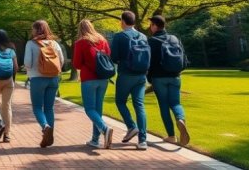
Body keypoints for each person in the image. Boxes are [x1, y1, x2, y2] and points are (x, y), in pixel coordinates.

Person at [147, 15, 190, 146]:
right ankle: (180, 119)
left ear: (155, 25)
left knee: (164, 106)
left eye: (151, 25)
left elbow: (149, 62)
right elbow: (184, 58)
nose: (150, 27)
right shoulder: (174, 38)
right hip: (175, 77)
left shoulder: (152, 41)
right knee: (176, 103)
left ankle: (171, 136)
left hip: (159, 78)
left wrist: (150, 79)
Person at [110, 11, 149, 150]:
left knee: (120, 102)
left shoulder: (119, 36)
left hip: (126, 74)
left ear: (123, 21)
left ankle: (132, 126)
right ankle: (143, 140)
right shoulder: (143, 36)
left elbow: (113, 57)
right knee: (139, 105)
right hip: (141, 75)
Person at [73, 19, 114, 149]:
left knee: (89, 109)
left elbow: (76, 64)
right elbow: (108, 56)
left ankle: (105, 128)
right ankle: (95, 140)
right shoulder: (103, 40)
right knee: (98, 110)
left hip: (89, 79)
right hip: (103, 78)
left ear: (80, 29)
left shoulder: (81, 43)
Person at [23, 20, 64, 148]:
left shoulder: (31, 43)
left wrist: (29, 69)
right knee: (49, 108)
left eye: (33, 29)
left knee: (37, 108)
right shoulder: (54, 43)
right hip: (53, 79)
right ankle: (48, 136)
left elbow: (28, 63)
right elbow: (61, 61)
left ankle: (45, 127)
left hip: (37, 79)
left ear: (36, 30)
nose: (32, 31)